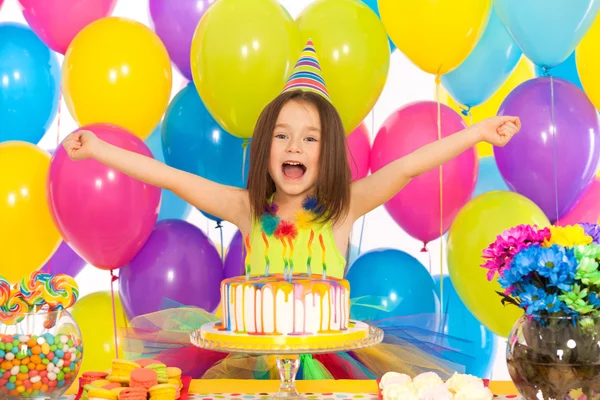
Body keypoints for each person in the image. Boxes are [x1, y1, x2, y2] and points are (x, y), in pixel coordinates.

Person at [63, 40, 520, 281]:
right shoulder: (247, 209)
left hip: (329, 366)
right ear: (265, 148)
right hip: (259, 365)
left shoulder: (344, 207)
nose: (294, 147)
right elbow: (170, 176)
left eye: (309, 138)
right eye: (282, 136)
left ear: (329, 154)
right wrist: (100, 150)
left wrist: (477, 133)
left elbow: (407, 167)